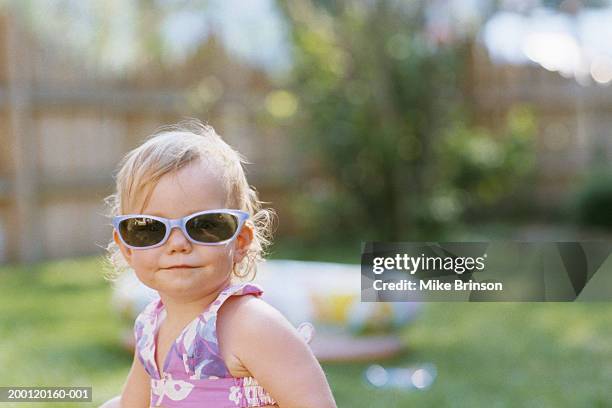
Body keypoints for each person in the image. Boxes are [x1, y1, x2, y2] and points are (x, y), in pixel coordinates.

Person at [101, 120, 336, 407]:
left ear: (239, 241)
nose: (178, 244)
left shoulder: (250, 325)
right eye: (150, 228)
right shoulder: (150, 327)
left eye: (204, 225)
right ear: (127, 247)